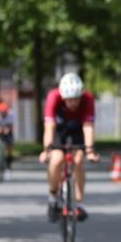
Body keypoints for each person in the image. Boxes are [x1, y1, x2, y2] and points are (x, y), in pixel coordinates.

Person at [38, 73, 101, 221]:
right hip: (59, 129)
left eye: (76, 99)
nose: (73, 103)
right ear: (63, 97)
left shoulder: (88, 99)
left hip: (78, 128)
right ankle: (52, 197)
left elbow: (88, 126)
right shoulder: (53, 97)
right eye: (69, 100)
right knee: (57, 159)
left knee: (79, 159)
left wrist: (90, 150)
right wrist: (46, 150)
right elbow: (49, 127)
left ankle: (80, 203)